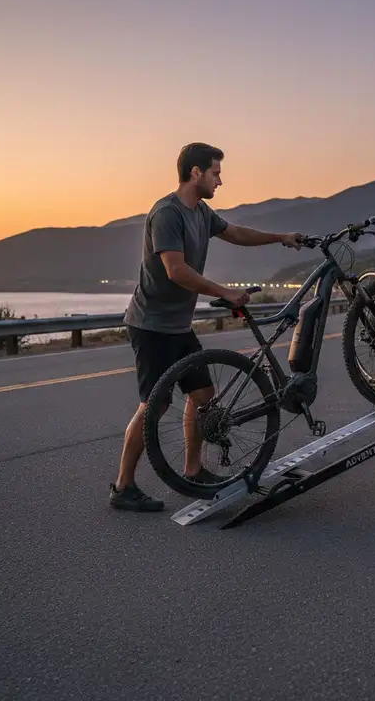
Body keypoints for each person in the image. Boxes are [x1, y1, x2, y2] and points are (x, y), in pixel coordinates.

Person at [110, 142, 302, 511]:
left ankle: (193, 469)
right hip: (151, 325)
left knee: (202, 397)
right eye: (215, 172)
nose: (220, 180)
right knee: (154, 405)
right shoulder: (167, 213)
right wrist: (224, 292)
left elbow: (236, 233)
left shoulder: (201, 212)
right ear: (195, 173)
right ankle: (123, 487)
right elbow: (175, 270)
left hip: (178, 326)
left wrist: (279, 238)